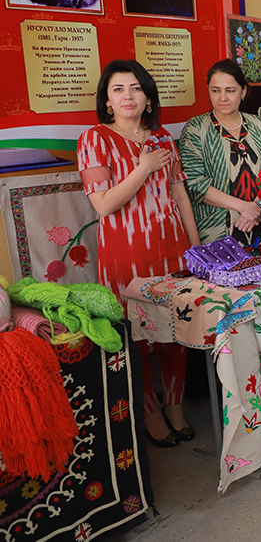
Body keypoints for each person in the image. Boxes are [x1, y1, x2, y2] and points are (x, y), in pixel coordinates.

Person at [77, 59, 200, 448]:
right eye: (118, 89)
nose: (127, 96)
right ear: (107, 100)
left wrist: (196, 248)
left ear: (148, 98)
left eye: (136, 88)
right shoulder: (94, 139)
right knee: (140, 339)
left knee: (178, 331)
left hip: (173, 250)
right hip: (126, 255)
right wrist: (143, 167)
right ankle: (150, 412)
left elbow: (180, 195)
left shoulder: (163, 137)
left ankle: (175, 406)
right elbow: (104, 204)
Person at [178, 59, 261, 246]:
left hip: (260, 227)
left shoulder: (257, 124)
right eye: (215, 90)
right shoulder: (197, 128)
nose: (222, 97)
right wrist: (244, 207)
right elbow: (194, 184)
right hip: (216, 232)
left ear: (243, 91)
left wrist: (259, 206)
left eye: (230, 90)